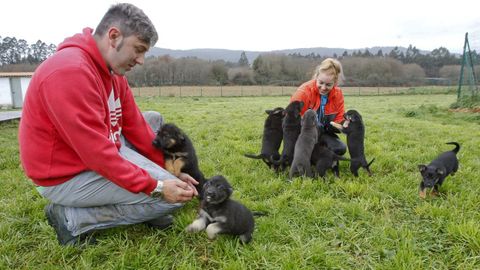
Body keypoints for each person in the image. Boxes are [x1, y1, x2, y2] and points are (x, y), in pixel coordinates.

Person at [18, 3, 198, 246]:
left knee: (155, 130)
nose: (142, 60)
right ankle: (72, 218)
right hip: (65, 175)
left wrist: (171, 170)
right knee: (167, 198)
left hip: (100, 153)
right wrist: (155, 187)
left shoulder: (112, 73)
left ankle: (142, 205)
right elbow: (97, 155)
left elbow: (136, 126)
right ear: (114, 37)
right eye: (139, 49)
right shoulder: (69, 72)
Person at [290, 58, 347, 155]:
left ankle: (316, 153)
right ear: (316, 77)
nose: (324, 88)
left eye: (328, 85)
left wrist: (342, 125)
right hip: (304, 133)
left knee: (340, 148)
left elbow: (339, 118)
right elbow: (291, 118)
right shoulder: (304, 92)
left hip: (323, 132)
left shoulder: (338, 94)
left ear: (335, 82)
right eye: (321, 83)